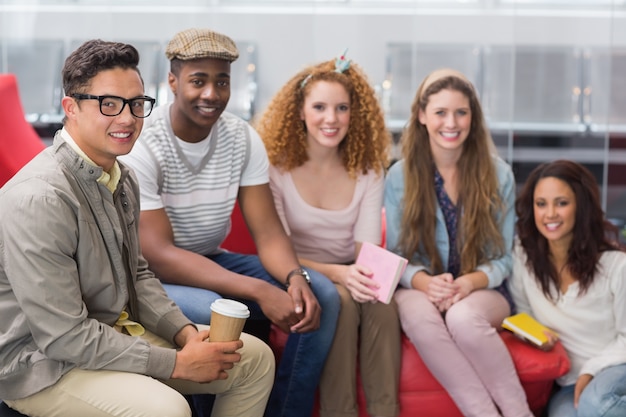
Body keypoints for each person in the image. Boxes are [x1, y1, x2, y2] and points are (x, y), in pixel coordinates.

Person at [0, 39, 275, 417]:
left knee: (254, 358)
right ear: (71, 108)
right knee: (168, 409)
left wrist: (184, 333)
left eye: (136, 103)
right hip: (40, 364)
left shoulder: (121, 176)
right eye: (109, 104)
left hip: (110, 333)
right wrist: (177, 363)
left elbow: (138, 274)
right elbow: (63, 337)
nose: (128, 118)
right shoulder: (39, 197)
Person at [119, 28, 340, 417]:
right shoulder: (145, 144)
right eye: (198, 81)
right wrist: (259, 290)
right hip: (150, 276)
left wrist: (294, 278)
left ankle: (286, 410)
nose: (211, 93)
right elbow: (160, 254)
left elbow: (269, 233)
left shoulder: (241, 137)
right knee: (214, 309)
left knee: (321, 293)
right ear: (172, 81)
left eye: (221, 82)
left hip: (211, 258)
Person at [255, 53, 401, 417]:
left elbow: (364, 250)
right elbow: (278, 249)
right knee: (343, 302)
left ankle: (386, 411)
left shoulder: (368, 170)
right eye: (320, 106)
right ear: (300, 111)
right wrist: (340, 274)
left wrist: (368, 276)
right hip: (295, 272)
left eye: (342, 108)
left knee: (383, 304)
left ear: (355, 114)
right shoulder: (276, 169)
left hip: (348, 269)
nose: (331, 119)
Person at [384, 68, 533, 417]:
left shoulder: (499, 175)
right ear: (422, 116)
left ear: (472, 117)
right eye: (440, 112)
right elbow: (395, 254)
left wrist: (469, 282)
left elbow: (503, 258)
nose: (451, 123)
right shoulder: (399, 176)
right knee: (419, 317)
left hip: (481, 289)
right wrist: (425, 283)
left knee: (464, 319)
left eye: (461, 112)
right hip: (420, 288)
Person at [510, 159, 626, 417]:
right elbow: (522, 312)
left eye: (561, 203)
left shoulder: (616, 265)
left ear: (580, 206)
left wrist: (591, 370)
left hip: (616, 369)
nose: (550, 214)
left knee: (596, 404)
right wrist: (535, 334)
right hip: (567, 383)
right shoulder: (522, 257)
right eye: (541, 204)